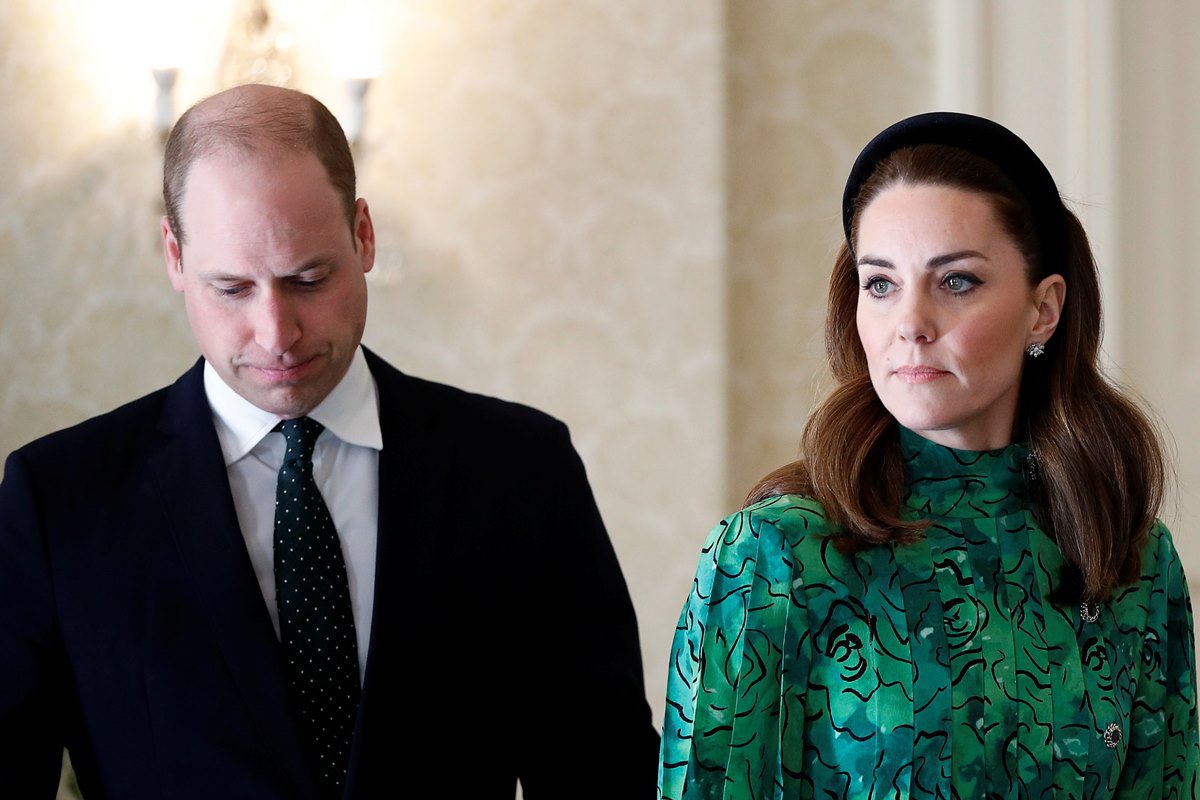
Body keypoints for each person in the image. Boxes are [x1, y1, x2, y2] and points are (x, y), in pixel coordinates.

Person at [0, 84, 659, 799]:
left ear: (363, 236)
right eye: (231, 289)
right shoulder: (59, 500)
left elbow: (607, 774)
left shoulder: (521, 470)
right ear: (174, 256)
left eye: (308, 279)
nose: (276, 334)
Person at [659, 112, 1198, 799]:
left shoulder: (1134, 557)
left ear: (1044, 309)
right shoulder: (773, 556)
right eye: (880, 284)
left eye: (956, 281)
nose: (910, 324)